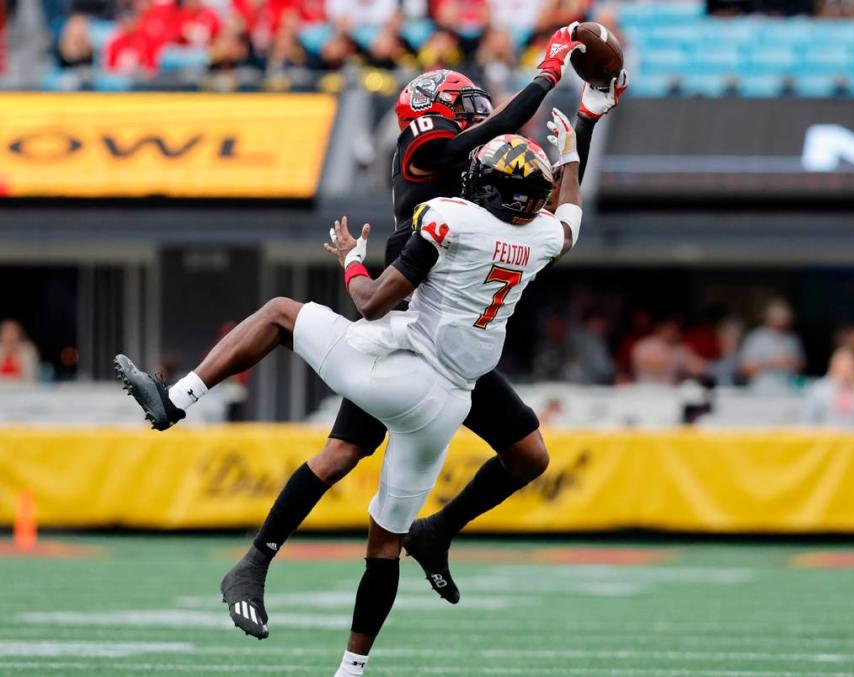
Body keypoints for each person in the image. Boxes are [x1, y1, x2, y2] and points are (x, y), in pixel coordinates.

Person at [116, 125, 584, 676]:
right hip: (448, 406)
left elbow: (368, 304)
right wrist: (571, 155)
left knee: (279, 314)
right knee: (384, 545)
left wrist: (350, 258)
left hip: (398, 372)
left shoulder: (451, 218)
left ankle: (176, 400)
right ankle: (351, 670)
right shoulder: (543, 238)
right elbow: (571, 218)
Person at [210, 25, 626, 630]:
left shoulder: (493, 202)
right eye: (463, 111)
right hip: (410, 331)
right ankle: (257, 558)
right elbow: (544, 189)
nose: (477, 118)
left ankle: (433, 535)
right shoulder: (438, 173)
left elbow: (548, 181)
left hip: (461, 359)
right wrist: (550, 75)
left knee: (528, 457)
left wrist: (583, 121)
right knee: (341, 453)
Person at [739, 299, 805, 390]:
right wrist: (771, 362)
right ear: (769, 319)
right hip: (761, 390)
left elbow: (801, 365)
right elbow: (744, 369)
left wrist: (791, 362)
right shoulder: (757, 338)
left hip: (788, 388)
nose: (780, 326)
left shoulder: (792, 339)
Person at [803, 347, 854, 426]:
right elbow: (808, 421)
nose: (845, 369)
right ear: (833, 366)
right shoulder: (819, 390)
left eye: (850, 365)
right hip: (826, 436)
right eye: (842, 365)